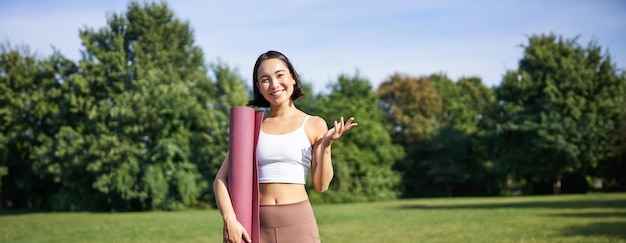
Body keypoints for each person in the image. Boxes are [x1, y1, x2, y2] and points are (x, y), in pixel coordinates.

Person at [213, 50, 357, 243]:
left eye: (280, 75)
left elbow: (321, 186)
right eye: (265, 79)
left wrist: (327, 145)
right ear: (259, 87)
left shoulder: (314, 124)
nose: (274, 84)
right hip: (255, 227)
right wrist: (230, 219)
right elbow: (220, 180)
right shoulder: (251, 127)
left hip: (299, 224)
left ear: (293, 78)